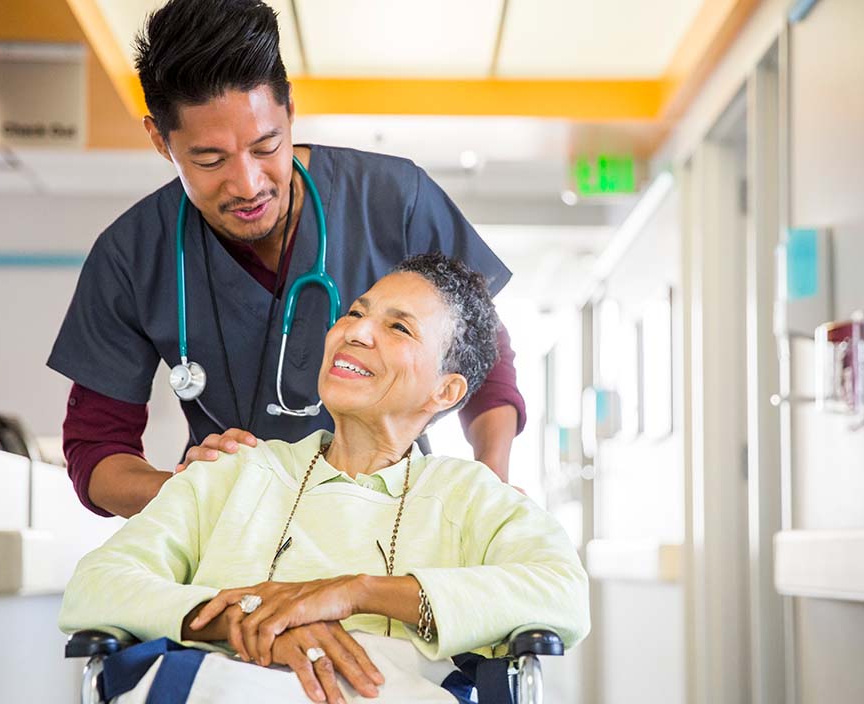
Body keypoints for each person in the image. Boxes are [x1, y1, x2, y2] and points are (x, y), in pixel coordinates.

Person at [47, 0, 526, 520]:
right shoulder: (131, 255)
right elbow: (95, 450)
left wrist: (492, 477)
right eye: (210, 160)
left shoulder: (394, 201)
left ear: (290, 111)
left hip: (390, 522)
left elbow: (482, 348)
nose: (248, 184)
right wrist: (189, 495)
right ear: (161, 141)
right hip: (230, 540)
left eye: (266, 146)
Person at [59, 255, 589, 703]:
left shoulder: (469, 496)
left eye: (398, 327)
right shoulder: (234, 472)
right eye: (356, 313)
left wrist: (354, 593)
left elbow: (562, 592)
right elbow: (96, 584)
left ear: (446, 391)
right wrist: (247, 622)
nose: (354, 331)